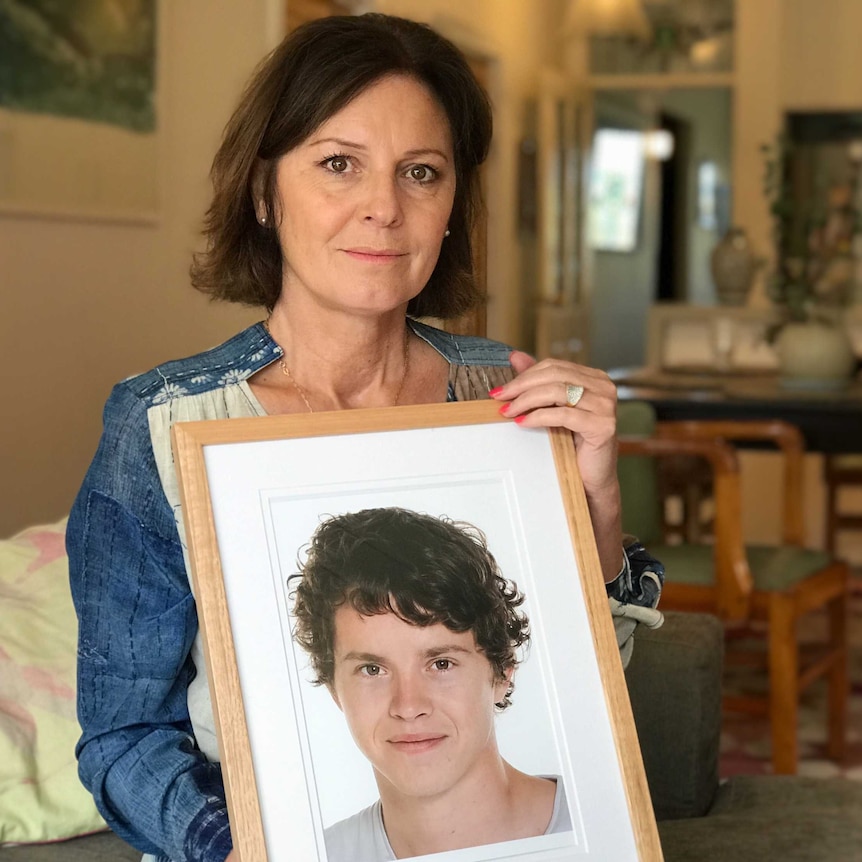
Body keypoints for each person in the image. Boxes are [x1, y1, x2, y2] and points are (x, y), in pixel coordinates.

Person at [67, 12, 663, 862]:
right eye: (339, 164)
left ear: (453, 204)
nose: (383, 208)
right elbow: (123, 734)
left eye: (421, 172)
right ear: (265, 193)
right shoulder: (163, 426)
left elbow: (582, 689)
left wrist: (597, 497)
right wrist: (233, 845)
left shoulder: (505, 396)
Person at [290, 507, 572, 862]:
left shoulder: (607, 822)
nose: (408, 706)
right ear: (334, 690)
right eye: (372, 670)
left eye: (441, 664)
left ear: (502, 672)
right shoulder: (310, 856)